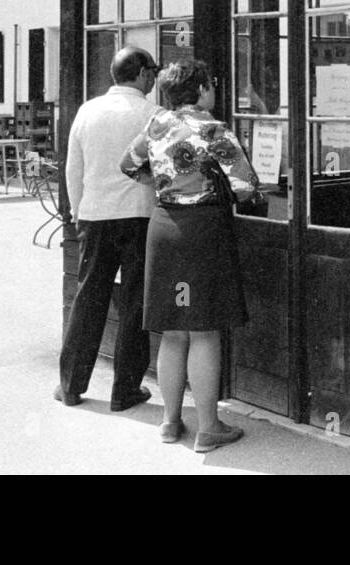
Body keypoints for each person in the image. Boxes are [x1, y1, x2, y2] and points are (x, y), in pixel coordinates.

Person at [120, 58, 259, 452]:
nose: (214, 89)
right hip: (204, 229)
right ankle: (209, 426)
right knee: (204, 329)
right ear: (200, 89)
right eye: (211, 83)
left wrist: (165, 183)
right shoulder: (214, 129)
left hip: (163, 226)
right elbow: (246, 186)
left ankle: (169, 421)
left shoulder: (156, 124)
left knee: (172, 330)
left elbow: (128, 165)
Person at [56, 46, 160, 411]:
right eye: (153, 72)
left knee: (89, 297)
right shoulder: (153, 114)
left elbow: (73, 167)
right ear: (143, 74)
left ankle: (71, 384)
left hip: (95, 215)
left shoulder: (88, 111)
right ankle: (125, 389)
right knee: (135, 302)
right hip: (139, 215)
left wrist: (77, 210)